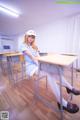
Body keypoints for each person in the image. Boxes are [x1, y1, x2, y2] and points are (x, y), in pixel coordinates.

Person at [20, 30, 80, 114]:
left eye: (33, 37)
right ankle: (61, 102)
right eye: (30, 36)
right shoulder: (23, 45)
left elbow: (38, 56)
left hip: (39, 64)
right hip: (31, 67)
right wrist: (42, 64)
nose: (31, 38)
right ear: (26, 36)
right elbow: (32, 57)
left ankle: (70, 88)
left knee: (56, 71)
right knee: (49, 75)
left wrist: (44, 63)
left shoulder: (35, 46)